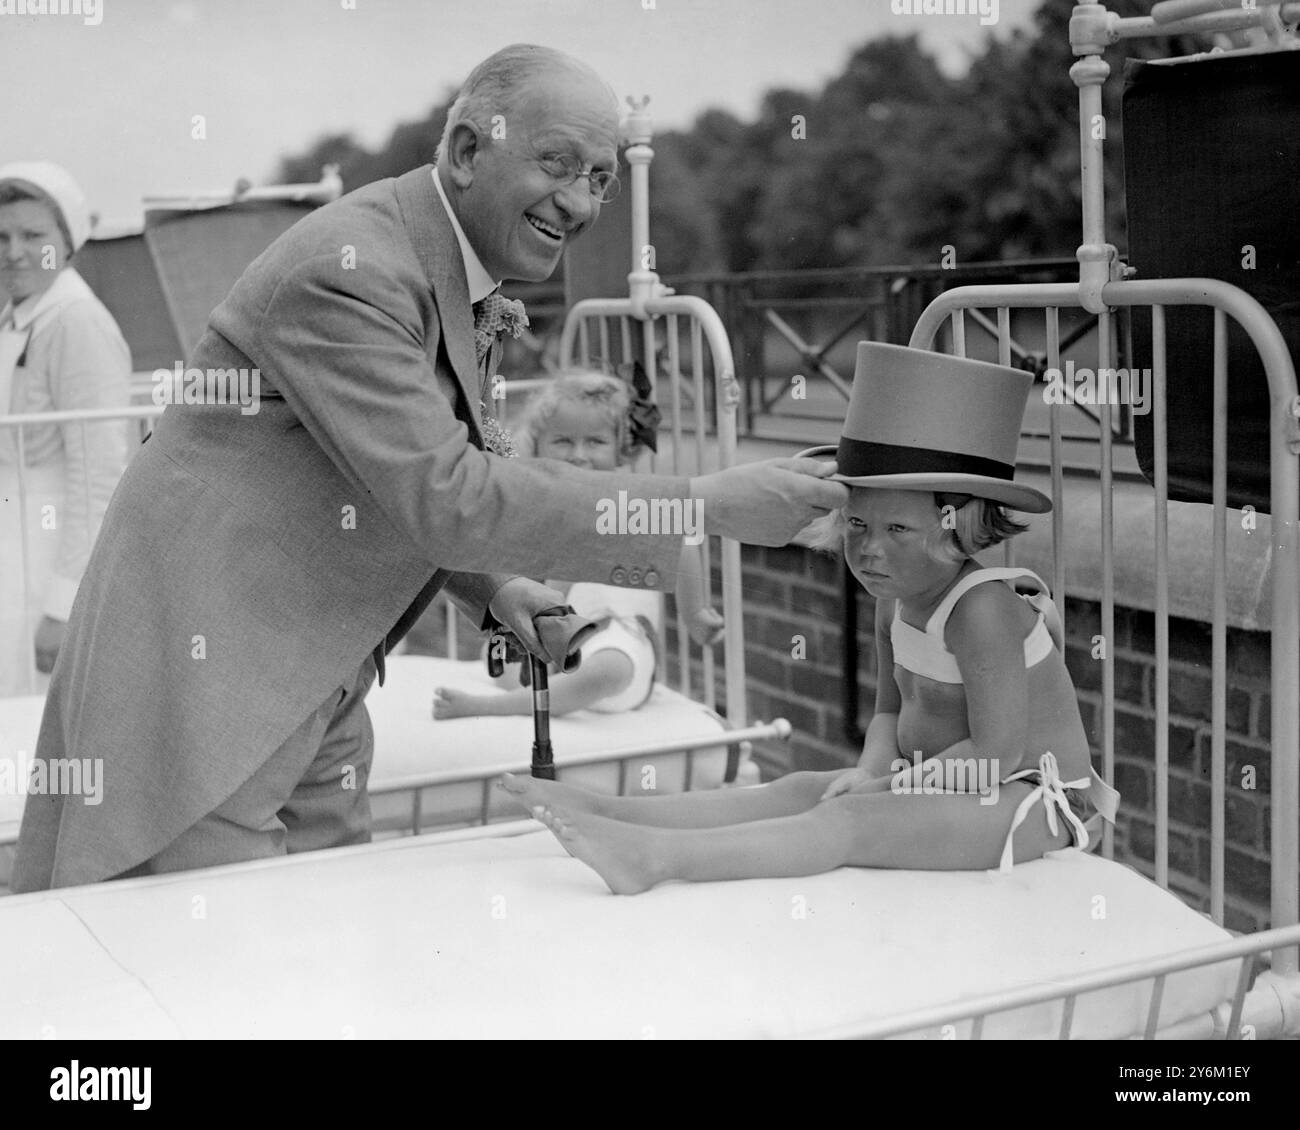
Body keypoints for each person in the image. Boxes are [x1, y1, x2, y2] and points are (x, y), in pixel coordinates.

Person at [11, 45, 845, 892]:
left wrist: (495, 589)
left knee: (328, 938)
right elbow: (446, 492)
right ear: (466, 151)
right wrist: (700, 506)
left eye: (600, 177)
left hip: (315, 670)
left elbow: (385, 472)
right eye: (558, 162)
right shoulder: (353, 272)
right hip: (212, 685)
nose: (582, 199)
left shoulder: (439, 264)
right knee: (218, 964)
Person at [502, 343, 1121, 894]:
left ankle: (660, 858)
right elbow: (887, 712)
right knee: (802, 788)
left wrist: (882, 790)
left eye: (897, 529)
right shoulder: (896, 597)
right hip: (940, 780)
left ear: (958, 525)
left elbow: (994, 751)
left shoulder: (982, 609)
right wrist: (873, 770)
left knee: (849, 819)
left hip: (1028, 800)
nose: (869, 549)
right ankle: (605, 810)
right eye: (856, 524)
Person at [432, 370, 721, 719]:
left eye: (595, 442)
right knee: (509, 662)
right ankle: (534, 687)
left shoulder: (629, 502)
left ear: (620, 450)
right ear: (538, 448)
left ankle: (490, 708)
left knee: (609, 669)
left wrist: (696, 614)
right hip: (563, 639)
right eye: (563, 441)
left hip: (619, 639)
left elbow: (684, 546)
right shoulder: (542, 507)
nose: (578, 455)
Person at [0, 162, 130, 698]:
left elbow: (98, 476)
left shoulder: (76, 321)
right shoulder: (19, 312)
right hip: (14, 535)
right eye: (2, 236)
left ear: (70, 241)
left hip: (46, 548)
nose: (13, 252)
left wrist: (62, 604)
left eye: (33, 236)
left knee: (30, 717)